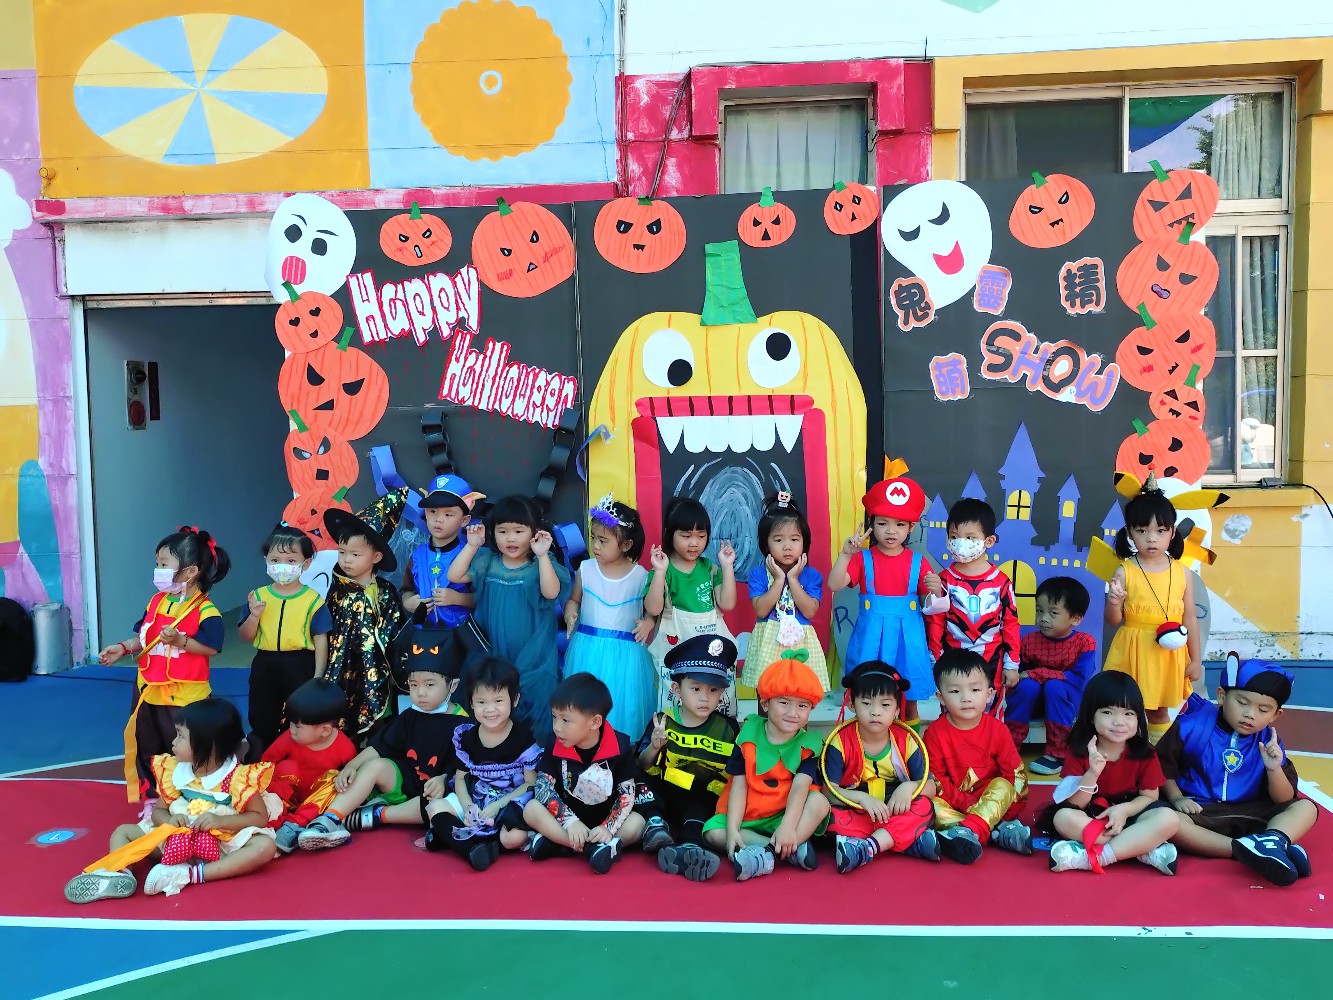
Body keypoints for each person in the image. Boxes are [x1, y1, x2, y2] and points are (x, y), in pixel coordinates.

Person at [64, 698, 276, 903]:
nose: (173, 742)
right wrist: (169, 821)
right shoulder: (175, 771)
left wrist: (221, 821)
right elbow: (159, 811)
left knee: (264, 846)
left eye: (180, 736)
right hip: (175, 842)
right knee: (124, 831)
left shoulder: (237, 778)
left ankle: (192, 874)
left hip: (221, 846)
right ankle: (121, 874)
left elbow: (259, 817)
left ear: (207, 744)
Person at [98, 525, 231, 801]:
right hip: (148, 688)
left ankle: (190, 796)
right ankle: (155, 797)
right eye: (157, 563)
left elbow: (212, 647)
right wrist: (122, 648)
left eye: (164, 564)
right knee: (146, 743)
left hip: (184, 695)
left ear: (190, 571)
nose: (157, 570)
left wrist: (181, 641)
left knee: (184, 746)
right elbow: (143, 636)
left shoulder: (205, 610)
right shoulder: (156, 601)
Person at [1159, 655, 1317, 886]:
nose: (1250, 714)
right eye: (1242, 702)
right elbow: (1162, 767)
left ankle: (1273, 840)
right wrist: (1176, 798)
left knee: (1305, 807)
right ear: (1222, 695)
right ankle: (1248, 850)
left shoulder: (1270, 741)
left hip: (1251, 812)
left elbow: (1283, 799)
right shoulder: (1191, 727)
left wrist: (1273, 768)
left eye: (1263, 709)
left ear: (1276, 715)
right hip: (1201, 811)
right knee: (1166, 821)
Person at [297, 639, 466, 850]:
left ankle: (377, 815)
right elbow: (380, 747)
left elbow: (466, 771)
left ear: (453, 686)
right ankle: (330, 819)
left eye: (429, 685)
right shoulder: (410, 716)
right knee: (375, 766)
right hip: (405, 782)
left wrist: (444, 779)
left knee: (441, 804)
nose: (420, 692)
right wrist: (352, 765)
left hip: (433, 793)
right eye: (414, 685)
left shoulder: (464, 724)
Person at [829, 470, 946, 730]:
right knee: (868, 697)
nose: (891, 531)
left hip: (908, 639)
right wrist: (846, 555)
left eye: (900, 524)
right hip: (870, 639)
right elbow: (834, 585)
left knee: (909, 700)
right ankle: (869, 744)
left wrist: (936, 590)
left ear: (911, 527)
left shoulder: (919, 562)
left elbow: (933, 606)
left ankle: (910, 745)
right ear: (872, 523)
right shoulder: (863, 558)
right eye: (883, 523)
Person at [449, 494, 569, 744]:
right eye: (502, 531)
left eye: (518, 531)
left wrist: (543, 555)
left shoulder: (540, 564)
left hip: (532, 650)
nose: (510, 538)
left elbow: (551, 593)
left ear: (534, 532)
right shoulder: (488, 561)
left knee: (532, 700)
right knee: (492, 695)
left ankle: (530, 756)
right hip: (492, 647)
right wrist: (472, 545)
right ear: (493, 533)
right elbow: (455, 575)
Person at [703, 652, 831, 882]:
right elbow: (738, 787)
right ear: (765, 703)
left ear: (811, 709)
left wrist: (787, 827)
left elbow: (800, 787)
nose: (792, 713)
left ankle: (770, 852)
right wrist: (733, 829)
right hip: (748, 815)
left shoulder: (810, 745)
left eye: (802, 706)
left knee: (819, 803)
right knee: (713, 833)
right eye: (784, 703)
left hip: (784, 815)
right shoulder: (748, 734)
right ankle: (790, 851)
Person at [1039, 671, 1181, 875]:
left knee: (1169, 818)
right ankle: (1139, 847)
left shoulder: (1145, 753)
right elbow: (1075, 805)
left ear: (1139, 717)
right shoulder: (1079, 751)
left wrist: (1124, 810)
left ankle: (1096, 857)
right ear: (1091, 716)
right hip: (1093, 817)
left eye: (1128, 713)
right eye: (1107, 712)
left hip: (1131, 816)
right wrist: (1092, 773)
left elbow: (1150, 797)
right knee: (1062, 817)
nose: (1119, 722)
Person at [1104, 474, 1201, 743]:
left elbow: (1190, 618)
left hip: (1168, 655)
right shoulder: (1124, 571)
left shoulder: (1183, 573)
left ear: (1172, 532)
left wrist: (1196, 660)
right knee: (1127, 709)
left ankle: (1159, 760)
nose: (1151, 539)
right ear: (1129, 533)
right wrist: (1114, 602)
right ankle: (1128, 758)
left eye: (1160, 531)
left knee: (1159, 712)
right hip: (1133, 651)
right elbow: (1113, 620)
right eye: (1142, 531)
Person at [639, 634, 741, 882]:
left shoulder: (728, 728)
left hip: (701, 797)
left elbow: (736, 775)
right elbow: (641, 765)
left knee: (700, 806)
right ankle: (655, 825)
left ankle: (689, 849)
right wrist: (654, 747)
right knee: (639, 782)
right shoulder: (663, 720)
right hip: (663, 793)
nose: (705, 698)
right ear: (677, 689)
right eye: (696, 689)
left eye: (713, 690)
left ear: (722, 693)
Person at [424, 656, 542, 872]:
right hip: (476, 799)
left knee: (513, 838)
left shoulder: (523, 738)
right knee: (435, 808)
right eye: (481, 702)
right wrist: (468, 806)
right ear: (471, 703)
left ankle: (459, 840)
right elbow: (460, 779)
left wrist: (498, 805)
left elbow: (529, 784)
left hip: (509, 801)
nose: (489, 709)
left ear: (514, 700)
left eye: (498, 701)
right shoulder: (467, 737)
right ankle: (473, 849)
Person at [522, 673, 647, 875]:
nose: (557, 727)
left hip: (604, 822)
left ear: (595, 722)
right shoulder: (555, 743)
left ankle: (561, 844)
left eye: (565, 720)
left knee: (637, 824)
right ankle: (591, 849)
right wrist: (570, 821)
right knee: (531, 809)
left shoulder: (620, 745)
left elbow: (627, 794)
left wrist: (607, 828)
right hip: (566, 821)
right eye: (554, 717)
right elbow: (543, 787)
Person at [822, 662, 941, 874]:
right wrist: (862, 799)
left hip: (896, 807)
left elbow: (931, 787)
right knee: (826, 816)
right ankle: (907, 841)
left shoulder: (906, 740)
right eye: (866, 703)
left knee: (925, 807)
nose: (875, 712)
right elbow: (828, 792)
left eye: (885, 705)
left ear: (897, 709)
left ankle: (867, 847)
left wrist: (908, 788)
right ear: (852, 705)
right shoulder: (839, 742)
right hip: (859, 808)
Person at [924, 649, 1032, 863]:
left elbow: (1015, 776)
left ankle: (969, 831)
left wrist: (1002, 809)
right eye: (955, 691)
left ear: (989, 694)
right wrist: (970, 806)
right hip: (956, 804)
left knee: (1004, 786)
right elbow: (937, 779)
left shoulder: (998, 730)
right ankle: (996, 831)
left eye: (975, 689)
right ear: (941, 697)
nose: (966, 698)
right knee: (928, 804)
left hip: (995, 803)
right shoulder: (934, 733)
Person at [563, 495, 654, 737]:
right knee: (585, 705)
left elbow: (651, 612)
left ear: (626, 545)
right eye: (594, 538)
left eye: (603, 541)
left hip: (626, 656)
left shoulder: (641, 576)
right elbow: (574, 600)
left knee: (622, 706)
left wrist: (648, 622)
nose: (596, 546)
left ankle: (620, 752)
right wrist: (571, 613)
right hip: (588, 649)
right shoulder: (586, 569)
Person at [238, 524, 331, 757]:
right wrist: (254, 616)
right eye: (275, 560)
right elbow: (245, 637)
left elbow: (320, 638)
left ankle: (297, 757)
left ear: (305, 564)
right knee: (262, 712)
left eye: (291, 560)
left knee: (300, 713)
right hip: (265, 663)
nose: (282, 566)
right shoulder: (257, 596)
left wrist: (318, 675)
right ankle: (261, 756)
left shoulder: (313, 600)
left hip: (300, 663)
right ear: (266, 561)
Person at [323, 489, 408, 737]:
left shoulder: (386, 591)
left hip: (375, 669)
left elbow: (395, 630)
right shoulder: (337, 590)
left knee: (379, 720)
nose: (346, 560)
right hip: (341, 666)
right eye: (342, 552)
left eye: (355, 554)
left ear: (376, 557)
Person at [926, 498, 1019, 715]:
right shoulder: (943, 580)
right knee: (953, 711)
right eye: (954, 537)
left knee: (990, 712)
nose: (960, 543)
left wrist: (1011, 665)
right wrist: (935, 661)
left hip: (992, 662)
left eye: (970, 538)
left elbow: (1011, 625)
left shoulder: (1002, 582)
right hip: (952, 661)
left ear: (989, 541)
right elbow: (935, 623)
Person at [644, 497, 738, 713]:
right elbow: (653, 609)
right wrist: (659, 572)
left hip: (710, 654)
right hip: (678, 652)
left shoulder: (709, 569)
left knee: (712, 701)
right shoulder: (664, 570)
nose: (694, 543)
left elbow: (727, 603)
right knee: (678, 706)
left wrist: (727, 567)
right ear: (670, 534)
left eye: (701, 536)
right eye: (686, 536)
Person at [1005, 576, 1098, 774]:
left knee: (1054, 687)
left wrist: (1038, 673)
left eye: (1053, 613)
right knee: (1026, 686)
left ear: (1076, 618)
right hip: (1036, 703)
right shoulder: (1029, 641)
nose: (1043, 618)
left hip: (1067, 701)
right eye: (1039, 610)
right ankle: (1009, 745)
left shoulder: (1085, 643)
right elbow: (1020, 676)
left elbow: (1078, 679)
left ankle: (1058, 752)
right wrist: (1028, 676)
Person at [399, 473, 489, 673]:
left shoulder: (472, 555)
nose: (438, 519)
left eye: (448, 514)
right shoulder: (418, 555)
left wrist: (458, 598)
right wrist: (409, 602)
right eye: (432, 512)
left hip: (461, 637)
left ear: (464, 520)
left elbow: (485, 599)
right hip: (425, 637)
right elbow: (406, 589)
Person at [260, 678, 357, 854]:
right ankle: (273, 818)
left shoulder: (345, 748)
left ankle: (293, 826)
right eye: (291, 723)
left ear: (324, 730)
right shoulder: (289, 738)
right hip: (284, 800)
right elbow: (266, 763)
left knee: (336, 778)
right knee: (287, 767)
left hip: (315, 804)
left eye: (298, 726)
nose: (292, 729)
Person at [745, 492, 828, 691]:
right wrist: (779, 579)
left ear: (804, 542)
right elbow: (761, 610)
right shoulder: (759, 575)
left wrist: (793, 579)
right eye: (778, 540)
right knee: (766, 691)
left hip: (801, 643)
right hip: (767, 642)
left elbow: (809, 611)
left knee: (801, 692)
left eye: (794, 539)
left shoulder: (811, 576)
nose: (787, 547)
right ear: (766, 544)